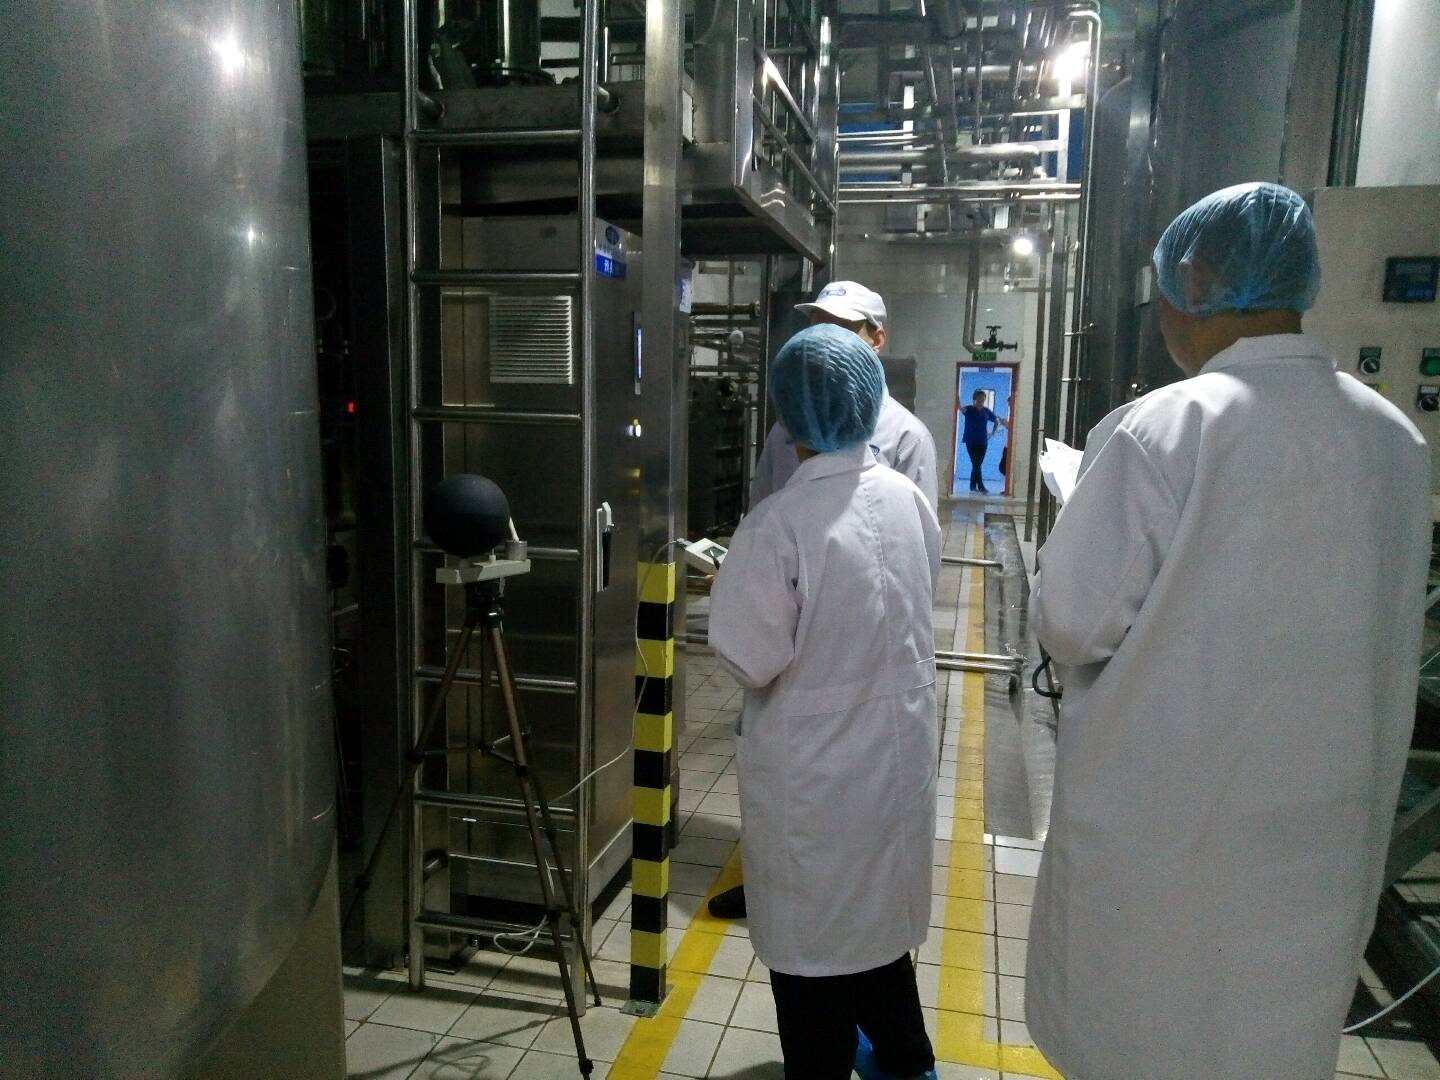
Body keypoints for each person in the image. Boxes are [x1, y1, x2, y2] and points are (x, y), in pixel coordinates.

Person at [1025, 182, 1430, 1080]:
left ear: (1198, 280)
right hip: (1316, 863)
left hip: (1165, 858)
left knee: (1144, 1044)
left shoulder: (1168, 428)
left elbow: (1071, 623)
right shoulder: (1395, 441)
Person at [709, 324, 942, 1080]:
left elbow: (750, 655)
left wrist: (730, 585)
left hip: (815, 782)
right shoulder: (908, 500)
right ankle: (907, 1064)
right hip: (894, 763)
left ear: (788, 417)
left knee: (814, 965)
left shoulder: (778, 523)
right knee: (878, 937)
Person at [749, 280, 938, 510]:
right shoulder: (787, 427)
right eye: (818, 329)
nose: (826, 342)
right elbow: (760, 510)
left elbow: (916, 526)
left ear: (877, 340)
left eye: (841, 329)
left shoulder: (907, 437)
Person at [958, 389, 1006, 493]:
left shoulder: (986, 411)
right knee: (976, 463)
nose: (981, 401)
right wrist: (956, 397)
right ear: (974, 399)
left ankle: (972, 486)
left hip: (982, 441)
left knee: (977, 464)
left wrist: (992, 433)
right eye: (979, 399)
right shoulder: (969, 409)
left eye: (983, 399)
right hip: (970, 440)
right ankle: (980, 486)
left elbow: (996, 420)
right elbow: (960, 408)